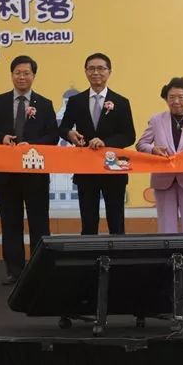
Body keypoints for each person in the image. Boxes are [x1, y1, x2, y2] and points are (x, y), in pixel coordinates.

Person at [0, 55, 58, 285]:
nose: (22, 77)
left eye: (26, 73)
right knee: (10, 223)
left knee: (39, 223)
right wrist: (1, 137)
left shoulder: (44, 104)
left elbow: (53, 135)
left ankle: (40, 269)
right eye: (18, 73)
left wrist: (32, 145)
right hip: (6, 174)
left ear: (34, 76)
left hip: (35, 173)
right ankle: (15, 271)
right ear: (11, 75)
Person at [58, 53, 136, 235]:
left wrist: (105, 142)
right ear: (85, 72)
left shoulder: (121, 102)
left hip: (114, 167)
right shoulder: (76, 101)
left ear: (109, 72)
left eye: (101, 68)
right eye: (91, 69)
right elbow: (63, 128)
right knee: (88, 220)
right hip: (86, 167)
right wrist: (70, 134)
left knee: (116, 221)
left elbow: (129, 136)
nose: (96, 72)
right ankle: (89, 253)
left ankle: (117, 252)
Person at [137, 77, 183, 233]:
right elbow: (141, 144)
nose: (176, 101)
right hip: (164, 180)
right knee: (166, 227)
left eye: (181, 97)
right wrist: (153, 150)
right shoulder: (156, 120)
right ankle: (168, 250)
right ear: (166, 99)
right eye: (171, 97)